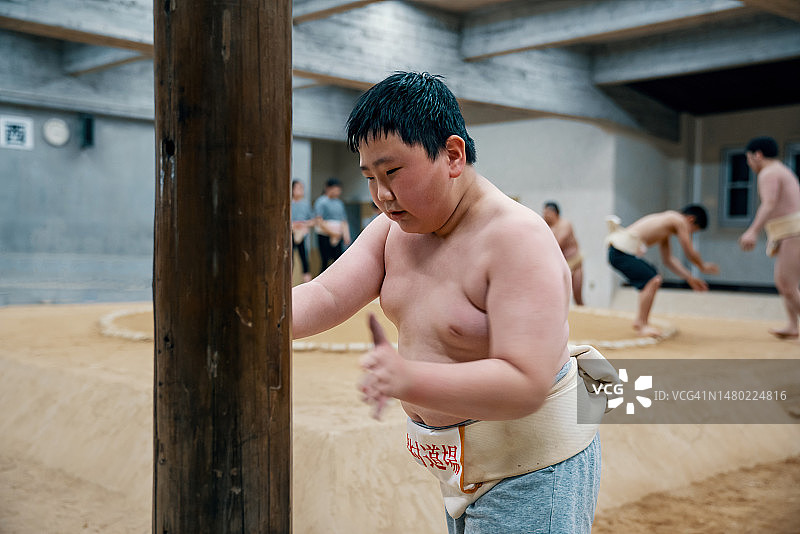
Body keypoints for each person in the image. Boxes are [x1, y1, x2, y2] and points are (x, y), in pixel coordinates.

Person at [292, 71, 619, 533]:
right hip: (460, 465)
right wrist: (246, 314)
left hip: (533, 468)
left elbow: (526, 382)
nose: (382, 196)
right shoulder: (392, 231)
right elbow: (325, 294)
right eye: (369, 178)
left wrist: (409, 377)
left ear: (451, 155)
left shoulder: (515, 239)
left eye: (393, 173)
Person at [606, 205, 720, 337]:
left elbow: (668, 260)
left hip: (619, 252)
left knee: (653, 279)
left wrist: (689, 277)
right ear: (690, 219)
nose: (690, 234)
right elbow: (689, 251)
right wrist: (703, 266)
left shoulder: (666, 227)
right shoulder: (677, 219)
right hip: (620, 251)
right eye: (693, 231)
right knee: (653, 279)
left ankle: (641, 322)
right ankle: (641, 323)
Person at [738, 136, 800, 340]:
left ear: (757, 155)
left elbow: (770, 203)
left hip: (793, 230)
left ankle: (793, 324)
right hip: (787, 230)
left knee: (787, 284)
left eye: (748, 158)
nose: (748, 163)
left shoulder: (769, 172)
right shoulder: (780, 170)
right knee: (785, 283)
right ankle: (792, 325)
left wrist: (753, 230)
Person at [543, 201, 584, 305]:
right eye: (544, 212)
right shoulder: (545, 226)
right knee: (558, 297)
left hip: (574, 262)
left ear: (554, 213)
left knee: (577, 296)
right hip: (559, 264)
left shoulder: (565, 224)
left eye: (547, 212)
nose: (545, 215)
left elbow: (557, 243)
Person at [313, 177, 351, 271]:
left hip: (338, 236)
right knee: (325, 261)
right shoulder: (321, 201)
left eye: (339, 190)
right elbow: (319, 221)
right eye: (335, 189)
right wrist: (332, 233)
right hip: (325, 234)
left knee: (337, 260)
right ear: (328, 188)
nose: (337, 192)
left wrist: (346, 235)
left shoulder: (339, 203)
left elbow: (344, 221)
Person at [291, 179, 314, 283]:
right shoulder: (288, 204)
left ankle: (307, 283)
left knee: (304, 259)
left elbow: (313, 220)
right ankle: (287, 284)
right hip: (290, 235)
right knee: (289, 261)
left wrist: (304, 224)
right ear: (292, 189)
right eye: (298, 188)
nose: (301, 190)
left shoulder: (306, 204)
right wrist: (293, 225)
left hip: (302, 234)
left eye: (302, 188)